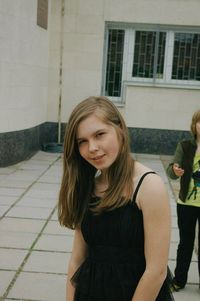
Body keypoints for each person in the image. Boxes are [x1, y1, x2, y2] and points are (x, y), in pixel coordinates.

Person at [58, 96, 174, 301]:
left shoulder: (148, 186)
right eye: (82, 141)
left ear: (120, 128)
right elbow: (77, 259)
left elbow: (156, 271)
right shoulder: (88, 187)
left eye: (99, 134)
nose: (92, 147)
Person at [166, 109, 200, 291]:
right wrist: (175, 170)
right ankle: (179, 281)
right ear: (194, 125)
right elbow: (171, 170)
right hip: (186, 204)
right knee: (185, 243)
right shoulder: (185, 146)